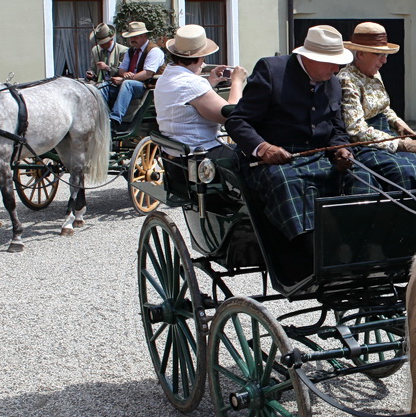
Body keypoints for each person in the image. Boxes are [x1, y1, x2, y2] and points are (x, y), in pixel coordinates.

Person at [224, 25, 368, 253]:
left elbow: (337, 129)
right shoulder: (271, 71)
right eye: (331, 62)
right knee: (289, 183)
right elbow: (237, 121)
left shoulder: (333, 82)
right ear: (309, 57)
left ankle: (361, 244)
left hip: (317, 155)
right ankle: (310, 255)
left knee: (363, 176)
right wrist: (264, 148)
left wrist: (341, 150)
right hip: (271, 159)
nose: (336, 68)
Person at [339, 22, 416, 192]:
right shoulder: (347, 79)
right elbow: (356, 131)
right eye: (378, 54)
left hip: (387, 137)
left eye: (385, 54)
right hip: (366, 146)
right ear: (360, 54)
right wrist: (402, 144)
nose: (384, 60)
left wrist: (398, 123)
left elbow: (384, 108)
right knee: (405, 172)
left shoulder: (374, 73)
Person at [152, 25, 244, 155]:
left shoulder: (165, 77)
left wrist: (209, 83)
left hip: (173, 151)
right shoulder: (193, 83)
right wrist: (237, 81)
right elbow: (230, 116)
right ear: (201, 58)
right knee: (254, 157)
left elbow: (186, 96)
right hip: (200, 151)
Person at [102, 21, 164, 126]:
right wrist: (125, 74)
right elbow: (121, 70)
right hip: (131, 83)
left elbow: (147, 74)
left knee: (127, 84)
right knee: (103, 86)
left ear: (144, 36)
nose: (132, 40)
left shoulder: (154, 51)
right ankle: (100, 115)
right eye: (131, 37)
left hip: (146, 86)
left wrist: (124, 79)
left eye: (135, 37)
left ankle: (115, 119)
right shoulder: (131, 51)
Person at [88, 24, 125, 88]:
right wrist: (91, 73)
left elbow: (122, 72)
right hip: (96, 84)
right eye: (99, 43)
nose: (101, 45)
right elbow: (93, 68)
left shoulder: (123, 51)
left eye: (103, 42)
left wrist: (106, 68)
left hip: (113, 85)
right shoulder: (95, 50)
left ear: (110, 39)